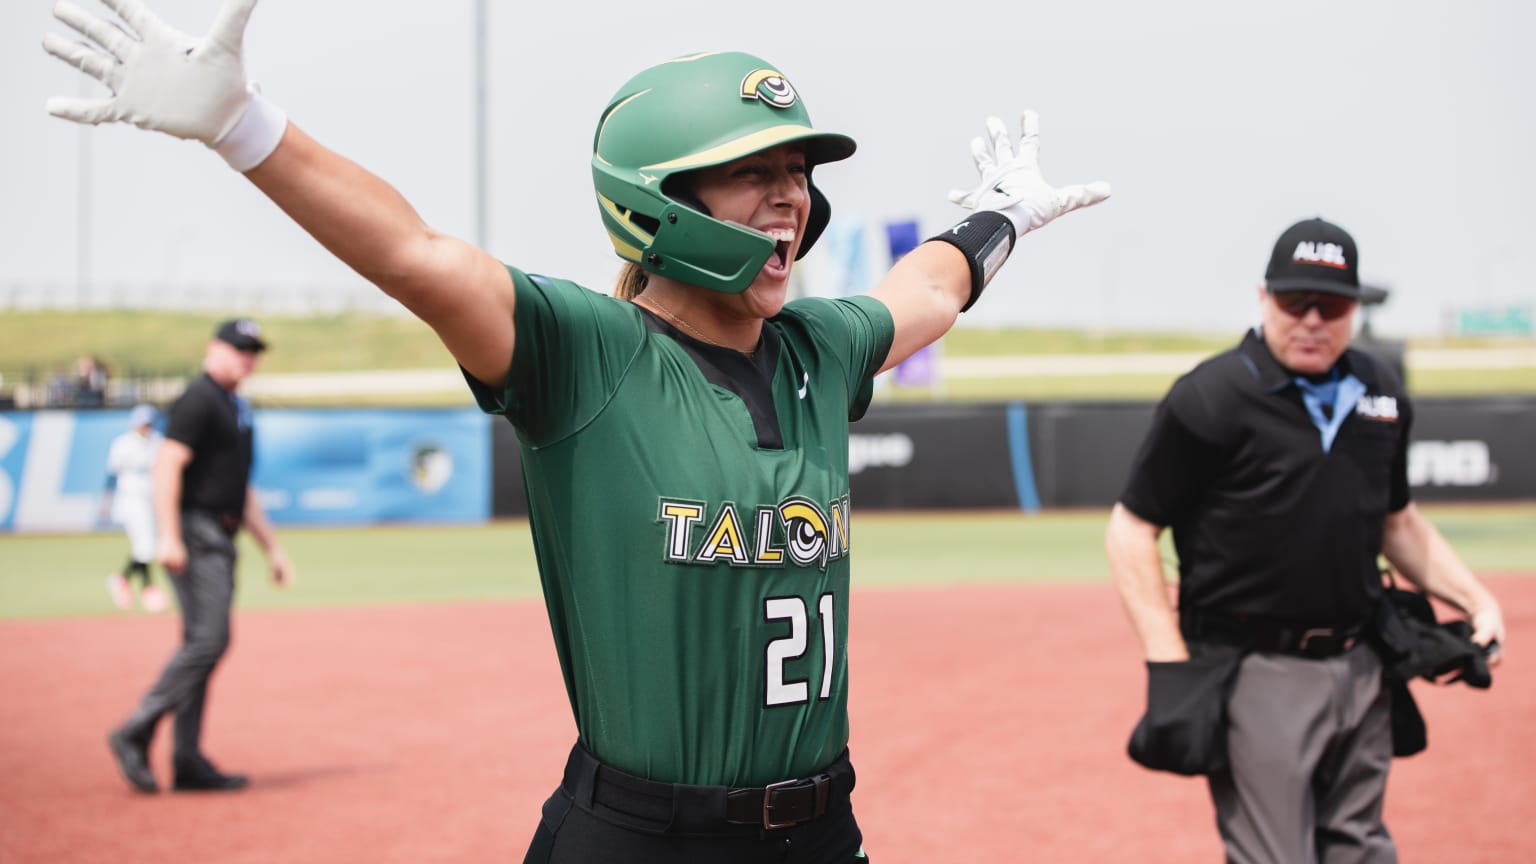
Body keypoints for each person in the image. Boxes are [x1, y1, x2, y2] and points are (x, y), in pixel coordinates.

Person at [46, 1, 1108, 856]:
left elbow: (927, 288)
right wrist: (244, 126)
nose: (791, 198)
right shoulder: (584, 353)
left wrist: (997, 217)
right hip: (643, 837)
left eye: (800, 175)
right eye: (756, 173)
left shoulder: (818, 348)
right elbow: (416, 253)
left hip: (822, 835)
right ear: (665, 198)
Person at [1105, 217, 1506, 863]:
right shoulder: (1211, 397)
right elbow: (1132, 528)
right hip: (1257, 668)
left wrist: (1477, 600)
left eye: (1333, 305)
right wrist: (1168, 662)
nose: (1313, 320)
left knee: (1361, 849)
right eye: (1295, 302)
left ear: (1356, 307)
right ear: (1264, 298)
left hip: (1362, 662)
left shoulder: (1380, 392)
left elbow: (1397, 522)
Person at [102, 317, 294, 794]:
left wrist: (272, 548)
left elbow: (240, 488)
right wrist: (168, 535)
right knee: (209, 640)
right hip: (196, 531)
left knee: (201, 646)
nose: (247, 357)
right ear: (214, 349)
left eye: (253, 350)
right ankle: (135, 729)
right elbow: (168, 464)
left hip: (221, 533)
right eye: (238, 348)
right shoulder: (199, 398)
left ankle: (186, 760)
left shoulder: (235, 407)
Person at [102, 402, 172, 613]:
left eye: (149, 423)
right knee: (146, 546)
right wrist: (106, 501)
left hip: (152, 499)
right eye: (143, 423)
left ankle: (122, 579)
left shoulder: (158, 442)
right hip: (130, 500)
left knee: (148, 545)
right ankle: (148, 589)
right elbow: (111, 475)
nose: (146, 427)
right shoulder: (123, 444)